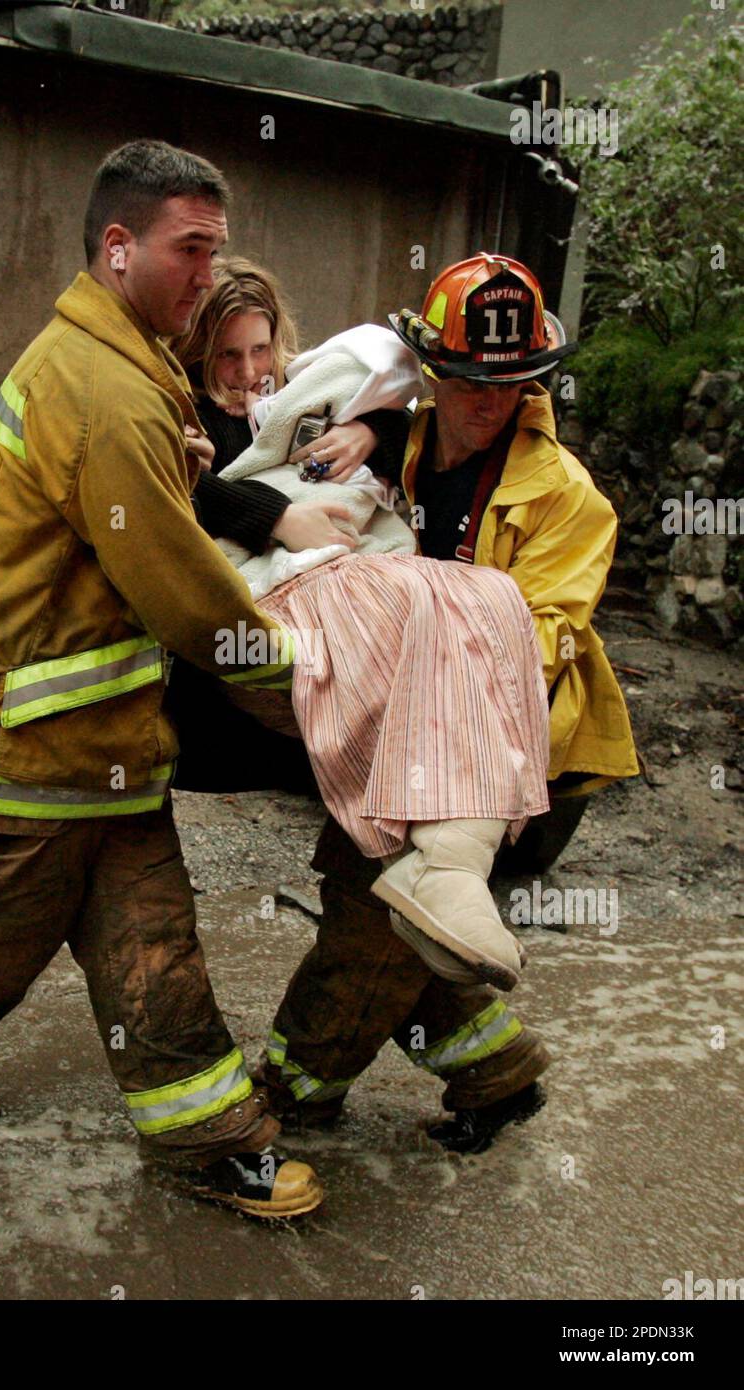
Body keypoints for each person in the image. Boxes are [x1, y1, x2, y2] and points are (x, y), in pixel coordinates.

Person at [0, 140, 328, 1220]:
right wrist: (313, 691)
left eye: (217, 250)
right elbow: (186, 596)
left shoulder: (114, 354)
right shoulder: (103, 385)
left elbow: (120, 520)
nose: (209, 274)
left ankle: (214, 1140)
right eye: (190, 250)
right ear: (118, 247)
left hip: (84, 749)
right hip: (22, 755)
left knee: (151, 939)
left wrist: (182, 474)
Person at [256, 253, 640, 1151]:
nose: (486, 402)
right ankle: (494, 1070)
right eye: (466, 380)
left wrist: (409, 624)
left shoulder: (568, 501)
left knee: (371, 909)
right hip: (408, 736)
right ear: (431, 369)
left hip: (513, 754)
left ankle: (294, 1091)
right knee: (414, 915)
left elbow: (534, 646)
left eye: (510, 385)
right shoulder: (404, 436)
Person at [170, 258, 556, 1051]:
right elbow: (170, 488)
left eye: (260, 352)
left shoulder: (331, 408)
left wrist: (367, 427)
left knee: (490, 601)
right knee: (376, 886)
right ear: (197, 360)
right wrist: (275, 517)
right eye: (226, 359)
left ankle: (475, 1030)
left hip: (420, 682)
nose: (248, 376)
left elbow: (394, 407)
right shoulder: (182, 420)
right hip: (280, 630)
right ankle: (399, 1047)